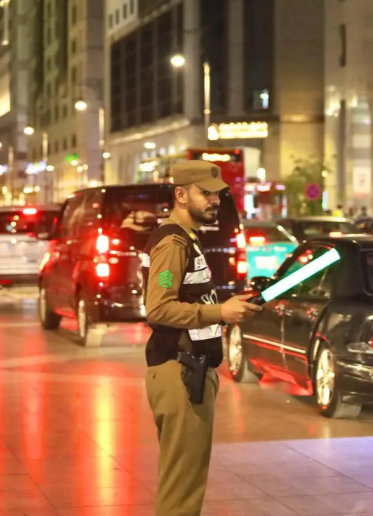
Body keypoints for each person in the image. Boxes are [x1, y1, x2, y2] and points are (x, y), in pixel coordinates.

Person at [143, 161, 261, 516]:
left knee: (187, 479)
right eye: (205, 193)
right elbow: (159, 307)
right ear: (180, 194)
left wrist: (228, 305)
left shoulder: (187, 238)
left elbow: (189, 295)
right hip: (179, 371)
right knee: (182, 487)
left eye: (218, 194)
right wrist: (220, 312)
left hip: (190, 370)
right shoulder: (172, 243)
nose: (215, 201)